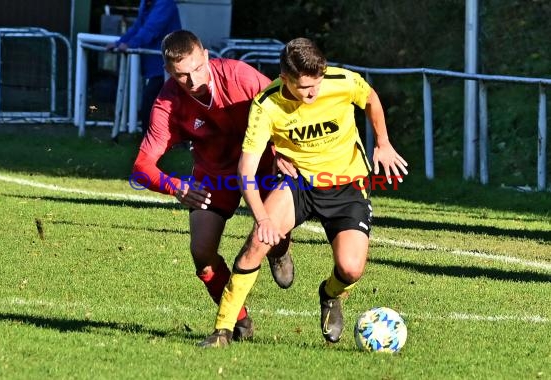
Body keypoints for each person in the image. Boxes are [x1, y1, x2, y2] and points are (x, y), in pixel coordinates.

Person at [199, 37, 409, 347]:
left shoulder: (341, 81)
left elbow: (370, 98)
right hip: (298, 183)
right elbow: (245, 171)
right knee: (256, 244)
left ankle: (330, 295)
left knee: (350, 269)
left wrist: (383, 142)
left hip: (347, 185)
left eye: (318, 84)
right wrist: (262, 219)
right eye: (305, 88)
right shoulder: (266, 105)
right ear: (285, 79)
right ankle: (222, 331)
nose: (314, 92)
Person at [131, 30, 294, 341]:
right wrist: (173, 185)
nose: (193, 81)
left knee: (274, 234)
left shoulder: (240, 75)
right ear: (169, 72)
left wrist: (286, 149)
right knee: (202, 252)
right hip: (214, 175)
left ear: (206, 55)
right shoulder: (168, 103)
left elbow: (285, 105)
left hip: (262, 165)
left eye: (197, 68)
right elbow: (141, 167)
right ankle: (239, 319)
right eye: (181, 75)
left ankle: (280, 250)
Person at [107, 0, 182, 135]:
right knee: (155, 100)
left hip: (168, 63)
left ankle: (151, 138)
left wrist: (130, 44)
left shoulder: (164, 3)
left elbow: (151, 28)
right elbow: (138, 27)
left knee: (153, 100)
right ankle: (154, 138)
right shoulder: (147, 3)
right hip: (157, 63)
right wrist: (120, 42)